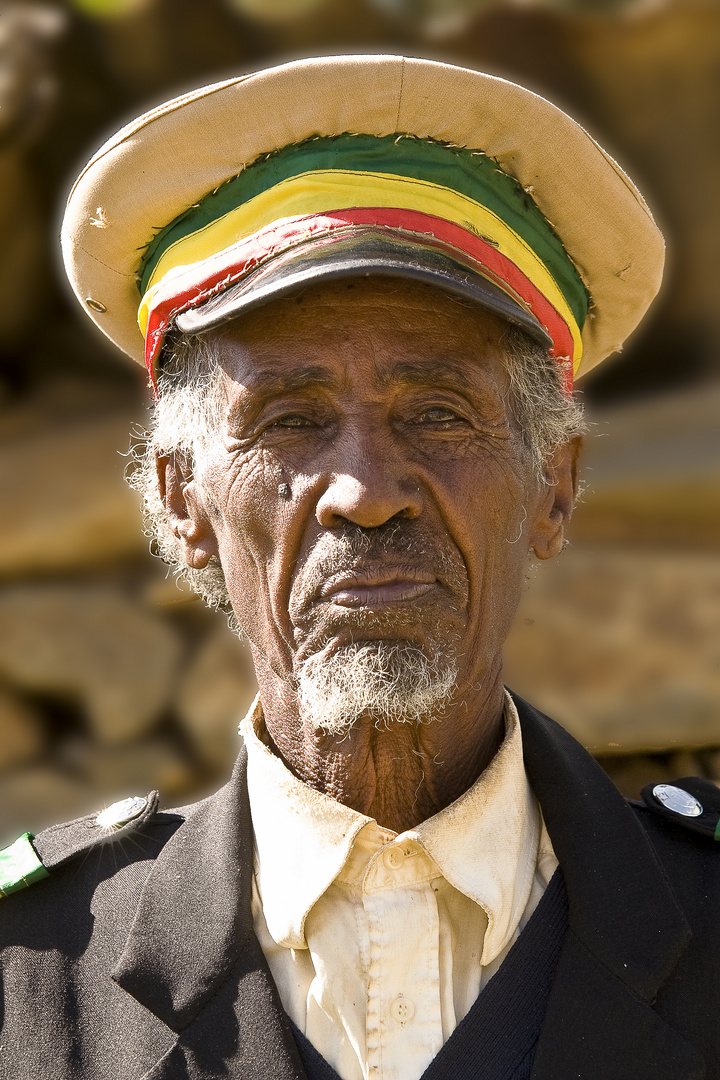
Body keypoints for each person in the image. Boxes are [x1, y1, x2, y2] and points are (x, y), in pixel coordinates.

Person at [1, 54, 719, 1080]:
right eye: (291, 421)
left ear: (554, 487)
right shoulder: (25, 980)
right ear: (182, 501)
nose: (367, 490)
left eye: (437, 411)